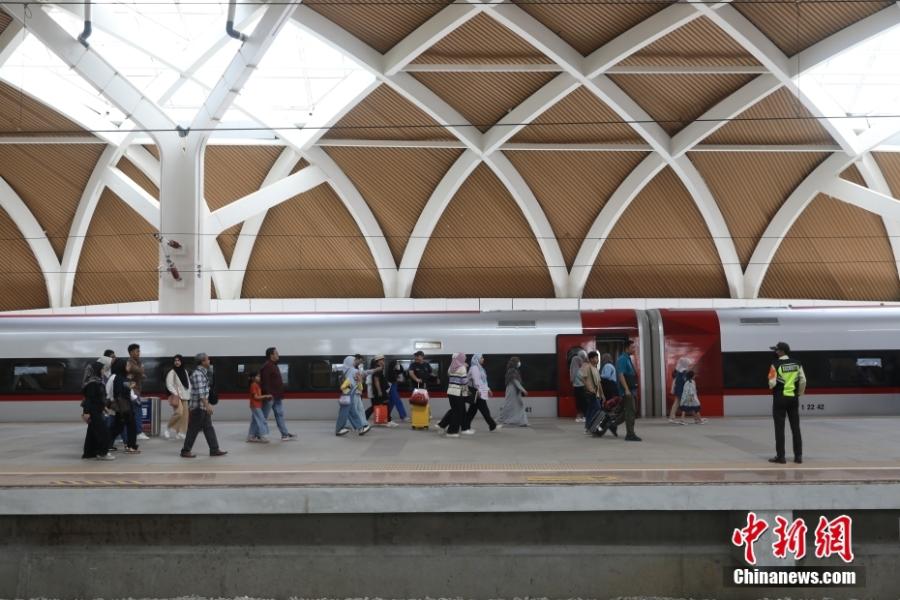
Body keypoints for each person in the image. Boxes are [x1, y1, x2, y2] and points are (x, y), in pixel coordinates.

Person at [181, 353, 227, 458]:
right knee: (193, 429)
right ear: (202, 362)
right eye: (207, 359)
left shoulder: (203, 373)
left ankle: (214, 449)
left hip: (202, 407)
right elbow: (201, 393)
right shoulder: (198, 374)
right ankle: (185, 450)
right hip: (198, 407)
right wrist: (208, 406)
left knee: (208, 428)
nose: (209, 361)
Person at [768, 341, 806, 464]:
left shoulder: (775, 364)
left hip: (780, 399)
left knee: (779, 429)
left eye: (777, 350)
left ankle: (781, 457)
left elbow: (772, 382)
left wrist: (771, 386)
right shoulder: (797, 363)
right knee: (795, 428)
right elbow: (803, 381)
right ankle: (798, 456)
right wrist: (799, 393)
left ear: (781, 351)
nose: (775, 352)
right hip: (793, 399)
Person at [260, 347, 296, 441]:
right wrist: (267, 395)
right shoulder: (267, 366)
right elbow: (265, 382)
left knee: (280, 415)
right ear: (271, 355)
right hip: (270, 397)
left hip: (277, 396)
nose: (278, 354)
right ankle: (256, 434)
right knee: (262, 416)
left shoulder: (273, 365)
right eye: (276, 353)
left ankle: (284, 434)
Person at [81, 360, 113, 460]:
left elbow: (98, 398)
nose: (104, 371)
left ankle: (89, 453)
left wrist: (104, 408)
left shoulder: (98, 381)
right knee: (104, 433)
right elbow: (89, 399)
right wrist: (86, 413)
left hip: (97, 410)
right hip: (93, 411)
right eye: (103, 369)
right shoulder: (93, 383)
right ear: (97, 370)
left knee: (92, 433)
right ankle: (102, 453)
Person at [107, 358, 139, 454]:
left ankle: (104, 443)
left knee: (118, 427)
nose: (129, 367)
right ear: (121, 366)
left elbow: (126, 389)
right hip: (124, 406)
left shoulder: (119, 377)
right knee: (131, 426)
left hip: (121, 406)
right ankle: (131, 446)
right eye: (127, 365)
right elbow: (124, 392)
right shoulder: (118, 378)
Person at [335, 355, 371, 436]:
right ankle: (339, 429)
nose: (355, 362)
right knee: (344, 412)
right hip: (349, 393)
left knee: (352, 412)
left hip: (345, 393)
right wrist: (360, 377)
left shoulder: (344, 370)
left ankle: (360, 428)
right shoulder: (353, 370)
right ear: (350, 362)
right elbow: (356, 381)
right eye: (354, 361)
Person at [464, 353, 499, 433]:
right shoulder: (475, 368)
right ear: (477, 359)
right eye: (482, 358)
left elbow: (484, 381)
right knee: (484, 410)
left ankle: (466, 426)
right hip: (477, 392)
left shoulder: (480, 368)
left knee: (472, 411)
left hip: (479, 392)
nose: (483, 359)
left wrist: (488, 389)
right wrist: (479, 391)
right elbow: (477, 381)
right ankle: (492, 425)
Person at [616, 340, 642, 442]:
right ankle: (630, 434)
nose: (634, 349)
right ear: (627, 348)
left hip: (632, 389)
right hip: (628, 391)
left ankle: (612, 425)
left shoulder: (628, 358)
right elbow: (621, 375)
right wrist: (626, 389)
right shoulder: (622, 359)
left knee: (628, 411)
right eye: (632, 347)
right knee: (630, 412)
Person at [438, 352, 469, 437]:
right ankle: (452, 431)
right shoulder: (462, 368)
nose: (465, 359)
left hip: (450, 391)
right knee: (458, 412)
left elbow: (450, 377)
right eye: (464, 358)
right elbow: (464, 382)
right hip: (458, 392)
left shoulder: (451, 367)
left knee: (455, 411)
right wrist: (466, 394)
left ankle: (443, 425)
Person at [164, 354, 191, 439]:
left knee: (185, 415)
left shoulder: (185, 371)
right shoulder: (172, 372)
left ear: (181, 361)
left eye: (178, 360)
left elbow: (188, 384)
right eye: (175, 360)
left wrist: (190, 393)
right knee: (179, 413)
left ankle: (181, 432)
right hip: (177, 396)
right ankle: (168, 427)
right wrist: (175, 393)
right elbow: (169, 384)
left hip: (185, 395)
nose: (177, 362)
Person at [126, 343, 149, 441]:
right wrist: (141, 370)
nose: (139, 353)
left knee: (134, 412)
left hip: (136, 390)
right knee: (137, 411)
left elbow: (142, 373)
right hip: (133, 391)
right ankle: (138, 432)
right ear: (131, 352)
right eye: (137, 351)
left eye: (139, 351)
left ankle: (134, 432)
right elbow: (140, 371)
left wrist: (141, 371)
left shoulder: (137, 362)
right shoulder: (130, 363)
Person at [364, 356, 395, 426]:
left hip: (379, 391)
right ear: (378, 361)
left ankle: (387, 420)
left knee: (377, 406)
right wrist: (379, 391)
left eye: (383, 360)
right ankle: (388, 421)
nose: (383, 361)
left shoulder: (378, 368)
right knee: (385, 405)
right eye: (382, 360)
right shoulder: (378, 369)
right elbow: (376, 380)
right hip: (379, 391)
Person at [499, 356, 528, 427]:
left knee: (517, 405)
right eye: (518, 361)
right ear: (515, 363)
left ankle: (522, 421)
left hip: (514, 390)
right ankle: (504, 419)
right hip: (512, 390)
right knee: (513, 405)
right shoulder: (512, 371)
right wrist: (523, 390)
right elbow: (515, 381)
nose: (519, 363)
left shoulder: (512, 370)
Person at [581, 351, 604, 434]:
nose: (597, 359)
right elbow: (583, 379)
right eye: (595, 358)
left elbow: (599, 383)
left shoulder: (595, 369)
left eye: (597, 358)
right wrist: (590, 389)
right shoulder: (587, 367)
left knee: (591, 410)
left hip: (596, 393)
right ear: (590, 359)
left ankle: (588, 427)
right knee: (597, 409)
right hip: (591, 393)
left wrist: (602, 394)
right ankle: (592, 427)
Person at [247, 371, 272, 443]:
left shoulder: (257, 385)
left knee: (255, 421)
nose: (259, 378)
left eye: (259, 376)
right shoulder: (253, 385)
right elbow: (256, 397)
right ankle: (263, 436)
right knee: (262, 420)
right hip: (255, 405)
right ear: (253, 378)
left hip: (257, 405)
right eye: (258, 376)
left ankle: (251, 436)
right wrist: (266, 396)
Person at [669, 357, 691, 424]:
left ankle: (672, 417)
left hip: (678, 388)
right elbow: (685, 381)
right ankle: (682, 418)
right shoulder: (684, 371)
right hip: (682, 389)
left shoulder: (678, 370)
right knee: (684, 403)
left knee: (676, 402)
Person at [386, 359, 408, 423]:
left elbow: (401, 370)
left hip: (393, 387)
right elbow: (393, 379)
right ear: (393, 365)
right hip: (392, 387)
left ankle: (386, 415)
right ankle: (403, 416)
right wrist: (398, 379)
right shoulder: (390, 371)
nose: (397, 365)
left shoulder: (394, 370)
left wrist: (399, 365)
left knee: (391, 403)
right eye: (396, 364)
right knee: (398, 401)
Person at [569, 349, 588, 423]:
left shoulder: (573, 370)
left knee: (578, 402)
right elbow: (584, 379)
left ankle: (579, 416)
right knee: (583, 402)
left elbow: (573, 379)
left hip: (576, 388)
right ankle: (584, 416)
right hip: (582, 388)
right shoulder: (580, 370)